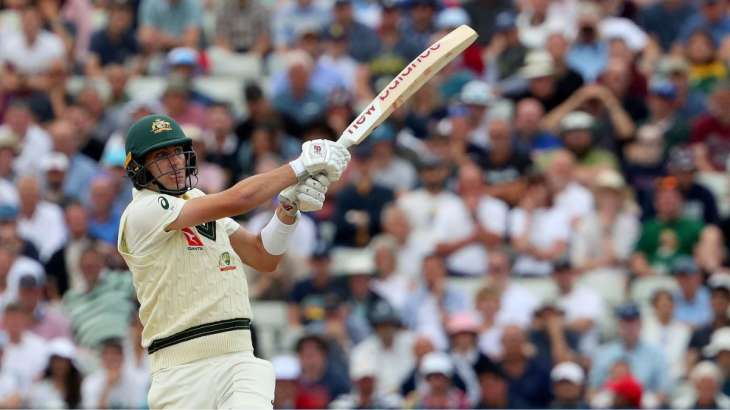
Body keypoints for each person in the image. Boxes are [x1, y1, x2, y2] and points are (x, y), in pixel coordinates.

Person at [116, 114, 350, 408]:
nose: (175, 162)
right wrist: (301, 166)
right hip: (180, 373)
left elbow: (262, 256)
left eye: (177, 152)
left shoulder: (195, 199)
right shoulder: (142, 212)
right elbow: (238, 200)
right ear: (138, 168)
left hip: (239, 360)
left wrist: (288, 209)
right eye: (161, 156)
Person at [81, 338, 147, 409]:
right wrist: (107, 387)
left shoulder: (135, 380)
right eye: (107, 354)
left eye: (116, 354)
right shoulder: (90, 382)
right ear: (101, 358)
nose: (111, 358)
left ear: (123, 357)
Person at [26, 338, 83, 409]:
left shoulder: (80, 388)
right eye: (56, 361)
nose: (60, 365)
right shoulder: (40, 388)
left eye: (64, 361)